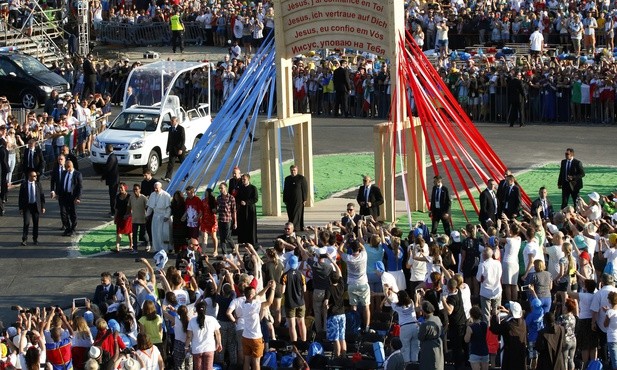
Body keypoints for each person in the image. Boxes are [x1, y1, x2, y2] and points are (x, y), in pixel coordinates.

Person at [240, 280, 276, 370]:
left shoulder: (243, 304)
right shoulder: (254, 306)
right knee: (256, 362)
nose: (256, 294)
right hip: (256, 338)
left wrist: (267, 286)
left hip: (245, 336)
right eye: (254, 293)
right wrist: (273, 289)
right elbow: (269, 302)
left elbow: (257, 296)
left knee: (247, 360)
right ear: (251, 295)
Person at [490, 302, 527, 370]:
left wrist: (494, 315)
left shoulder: (508, 325)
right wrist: (508, 312)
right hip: (520, 353)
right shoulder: (523, 323)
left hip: (510, 354)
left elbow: (494, 329)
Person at [186, 301, 222, 370]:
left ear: (196, 310)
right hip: (209, 348)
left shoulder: (192, 321)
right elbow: (217, 333)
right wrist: (219, 343)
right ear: (206, 309)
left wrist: (186, 347)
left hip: (197, 349)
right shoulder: (212, 319)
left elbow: (189, 336)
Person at [281, 255, 307, 342]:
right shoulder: (301, 274)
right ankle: (304, 342)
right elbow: (304, 289)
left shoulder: (285, 275)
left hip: (290, 303)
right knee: (301, 323)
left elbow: (283, 290)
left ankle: (294, 345)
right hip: (300, 302)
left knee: (292, 325)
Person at [390, 290, 419, 363]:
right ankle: (414, 366)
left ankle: (407, 366)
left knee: (405, 349)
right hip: (415, 326)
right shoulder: (411, 302)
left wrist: (387, 295)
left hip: (405, 328)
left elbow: (390, 301)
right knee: (415, 349)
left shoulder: (397, 306)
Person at [323, 270, 346, 357]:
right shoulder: (341, 286)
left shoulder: (329, 288)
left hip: (333, 315)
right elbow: (339, 273)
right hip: (342, 314)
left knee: (335, 339)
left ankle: (337, 357)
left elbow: (325, 302)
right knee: (342, 337)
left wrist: (326, 307)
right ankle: (343, 357)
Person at [19, 170, 45, 246]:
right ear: (29, 176)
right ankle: (24, 239)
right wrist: (20, 208)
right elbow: (20, 197)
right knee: (26, 223)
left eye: (36, 176)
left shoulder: (38, 184)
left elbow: (42, 196)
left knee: (35, 223)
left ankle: (35, 239)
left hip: (35, 206)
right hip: (27, 206)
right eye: (34, 176)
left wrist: (43, 207)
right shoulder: (24, 185)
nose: (35, 177)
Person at [477, 247, 502, 324]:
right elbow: (500, 274)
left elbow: (478, 278)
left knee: (486, 315)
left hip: (485, 292)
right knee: (497, 313)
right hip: (497, 290)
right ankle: (497, 330)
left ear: (483, 256)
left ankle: (487, 332)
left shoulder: (482, 265)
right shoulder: (498, 263)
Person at [146, 182, 172, 252]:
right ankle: (156, 248)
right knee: (155, 233)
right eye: (154, 188)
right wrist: (147, 215)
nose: (155, 189)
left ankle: (165, 249)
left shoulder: (166, 195)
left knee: (164, 234)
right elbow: (150, 207)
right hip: (155, 216)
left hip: (163, 216)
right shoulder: (152, 194)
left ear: (160, 187)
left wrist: (167, 216)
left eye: (157, 188)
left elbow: (168, 208)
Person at [418, 301, 444, 370]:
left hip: (428, 348)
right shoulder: (437, 319)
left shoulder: (425, 324)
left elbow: (420, 337)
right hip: (438, 345)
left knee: (429, 365)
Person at [59, 159, 82, 236]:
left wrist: (78, 197)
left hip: (72, 196)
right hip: (64, 195)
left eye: (67, 167)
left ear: (71, 166)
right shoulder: (64, 173)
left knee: (72, 213)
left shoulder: (77, 174)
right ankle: (67, 228)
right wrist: (57, 193)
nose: (66, 168)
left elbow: (80, 187)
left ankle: (73, 229)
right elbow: (61, 184)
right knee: (63, 213)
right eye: (65, 167)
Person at [283, 165, 308, 231]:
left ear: (297, 170)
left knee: (296, 213)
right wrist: (284, 199)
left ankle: (295, 227)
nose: (293, 172)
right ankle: (291, 226)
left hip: (298, 199)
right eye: (291, 170)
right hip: (289, 200)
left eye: (294, 170)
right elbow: (285, 189)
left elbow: (305, 189)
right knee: (290, 213)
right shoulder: (287, 179)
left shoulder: (301, 178)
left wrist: (305, 199)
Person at [236, 173, 258, 245]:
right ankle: (242, 241)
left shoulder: (253, 188)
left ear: (248, 179)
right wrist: (240, 202)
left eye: (244, 179)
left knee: (251, 225)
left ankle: (252, 241)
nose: (243, 181)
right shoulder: (240, 188)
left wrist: (246, 202)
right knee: (242, 225)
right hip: (242, 209)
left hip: (250, 209)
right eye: (242, 179)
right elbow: (237, 198)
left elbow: (255, 199)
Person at [216, 182, 236, 255]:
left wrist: (235, 222)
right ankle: (225, 253)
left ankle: (233, 247)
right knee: (222, 237)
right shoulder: (219, 198)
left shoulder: (231, 198)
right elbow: (218, 208)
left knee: (227, 236)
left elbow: (234, 210)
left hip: (228, 219)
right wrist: (216, 210)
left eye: (221, 188)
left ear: (225, 188)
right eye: (219, 188)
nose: (220, 189)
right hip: (221, 219)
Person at [164, 116, 185, 181]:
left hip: (179, 149)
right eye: (171, 121)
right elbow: (169, 139)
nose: (171, 122)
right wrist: (167, 149)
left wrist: (181, 149)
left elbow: (183, 139)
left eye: (173, 121)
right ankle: (168, 177)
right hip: (172, 149)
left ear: (176, 121)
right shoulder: (170, 129)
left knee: (183, 163)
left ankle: (185, 176)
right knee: (170, 163)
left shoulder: (181, 128)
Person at [129, 184, 149, 253]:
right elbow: (129, 206)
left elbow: (147, 207)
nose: (135, 191)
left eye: (136, 189)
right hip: (134, 219)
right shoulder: (131, 197)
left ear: (140, 190)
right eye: (134, 190)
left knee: (143, 234)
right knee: (134, 234)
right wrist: (127, 214)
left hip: (142, 218)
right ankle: (135, 248)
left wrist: (147, 216)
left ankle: (147, 244)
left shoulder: (143, 198)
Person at [114, 183, 132, 253]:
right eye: (119, 188)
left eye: (121, 187)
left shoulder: (129, 196)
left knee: (129, 232)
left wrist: (128, 215)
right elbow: (116, 208)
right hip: (120, 215)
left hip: (127, 216)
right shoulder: (117, 196)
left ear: (125, 188)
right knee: (119, 231)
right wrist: (115, 217)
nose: (120, 189)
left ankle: (131, 244)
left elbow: (131, 207)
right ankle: (117, 247)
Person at [199, 188, 218, 255]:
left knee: (213, 237)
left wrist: (215, 211)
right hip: (204, 220)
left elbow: (216, 210)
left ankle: (215, 251)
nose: (205, 194)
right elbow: (201, 211)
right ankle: (203, 252)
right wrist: (197, 217)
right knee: (204, 237)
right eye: (205, 193)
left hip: (212, 220)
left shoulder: (214, 201)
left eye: (207, 193)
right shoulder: (203, 201)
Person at [102, 144, 119, 217]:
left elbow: (108, 169)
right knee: (112, 196)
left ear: (107, 149)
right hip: (113, 180)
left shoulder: (111, 158)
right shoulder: (112, 156)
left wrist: (103, 176)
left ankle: (113, 211)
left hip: (113, 180)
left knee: (113, 197)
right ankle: (113, 210)